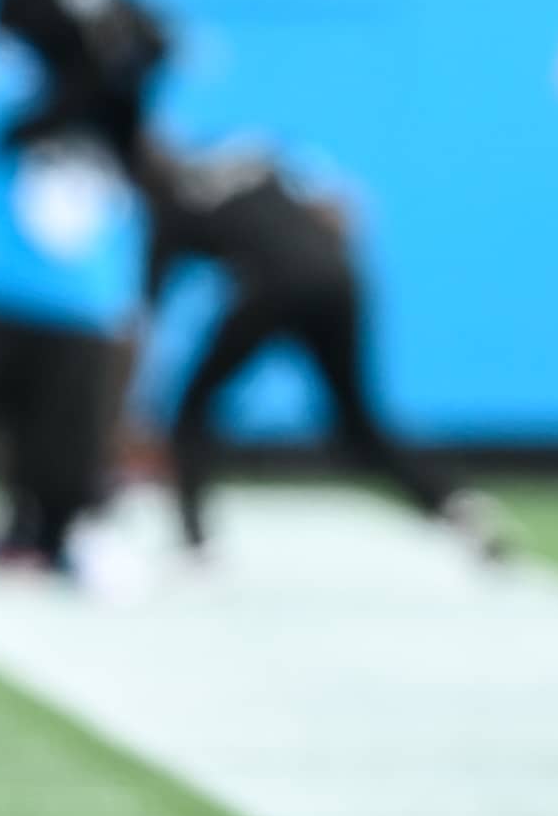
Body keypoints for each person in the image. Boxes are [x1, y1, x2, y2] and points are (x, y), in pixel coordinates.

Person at [136, 140, 505, 559]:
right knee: (357, 419)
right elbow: (344, 204)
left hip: (268, 288)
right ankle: (452, 501)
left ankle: (193, 543)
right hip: (338, 275)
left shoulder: (168, 210)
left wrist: (135, 403)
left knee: (191, 409)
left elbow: (143, 314)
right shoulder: (251, 157)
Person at [0, 0, 158, 570]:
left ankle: (48, 529)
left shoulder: (113, 96)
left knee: (61, 445)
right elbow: (3, 131)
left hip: (73, 294)